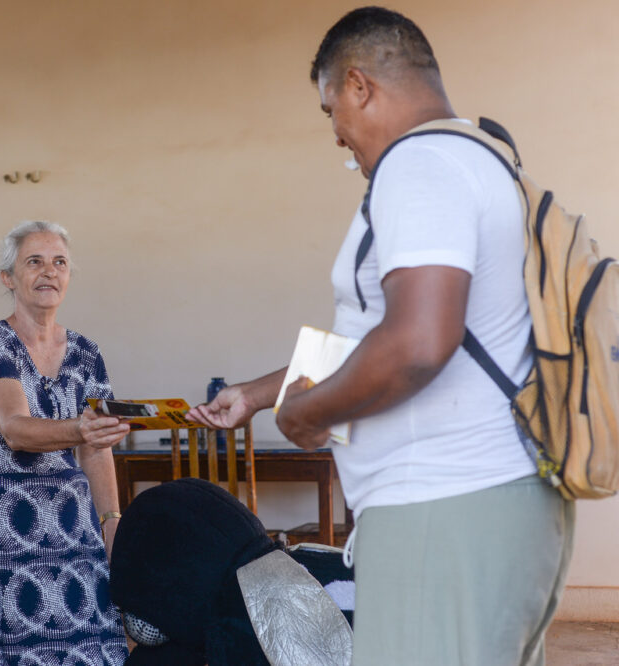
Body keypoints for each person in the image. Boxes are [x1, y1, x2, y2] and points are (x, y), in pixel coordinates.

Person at [187, 7, 574, 665]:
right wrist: (257, 393)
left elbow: (419, 343)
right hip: (499, 508)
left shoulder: (417, 164)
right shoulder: (483, 159)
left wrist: (304, 412)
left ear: (360, 85)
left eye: (330, 108)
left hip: (441, 512)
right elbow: (388, 338)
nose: (338, 136)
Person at [0, 220, 130, 666]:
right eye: (35, 262)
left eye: (59, 262)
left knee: (90, 648)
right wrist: (80, 430)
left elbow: (96, 448)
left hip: (71, 531)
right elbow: (16, 428)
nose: (49, 271)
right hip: (1, 535)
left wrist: (112, 524)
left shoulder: (87, 352)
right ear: (9, 278)